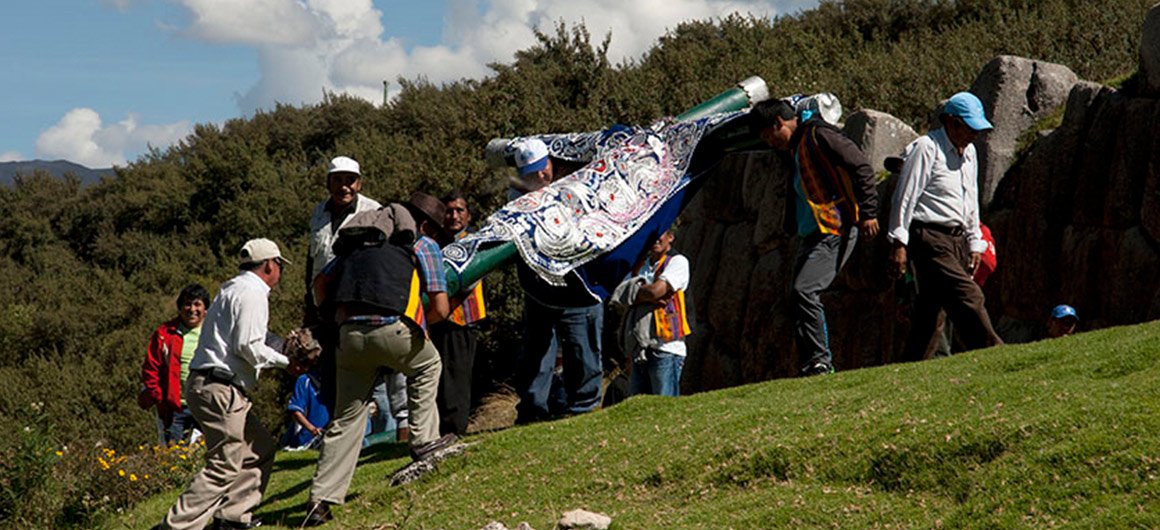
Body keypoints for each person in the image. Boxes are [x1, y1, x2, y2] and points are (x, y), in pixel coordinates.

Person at [303, 202, 456, 527]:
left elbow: (319, 283)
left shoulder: (355, 245)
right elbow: (441, 309)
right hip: (394, 327)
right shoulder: (422, 244)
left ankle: (320, 501)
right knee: (428, 365)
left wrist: (329, 316)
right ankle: (424, 441)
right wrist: (417, 327)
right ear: (426, 225)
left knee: (346, 419)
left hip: (350, 337)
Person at [154, 239, 306, 530]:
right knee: (223, 464)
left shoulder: (231, 288)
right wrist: (289, 363)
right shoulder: (253, 293)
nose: (280, 273)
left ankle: (232, 518)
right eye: (279, 267)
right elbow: (248, 345)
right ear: (269, 265)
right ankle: (175, 527)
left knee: (259, 449)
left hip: (210, 384)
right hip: (222, 387)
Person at [750, 98, 880, 376]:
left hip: (836, 228)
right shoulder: (797, 146)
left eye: (767, 135)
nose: (768, 143)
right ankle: (811, 363)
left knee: (805, 290)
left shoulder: (819, 135)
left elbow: (861, 166)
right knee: (795, 296)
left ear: (778, 123)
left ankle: (821, 361)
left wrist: (869, 212)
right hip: (813, 233)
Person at [887, 91, 1004, 361]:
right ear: (951, 122)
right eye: (969, 127)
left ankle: (912, 364)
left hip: (956, 237)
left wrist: (975, 241)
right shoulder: (926, 148)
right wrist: (899, 243)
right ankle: (993, 351)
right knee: (968, 294)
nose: (974, 134)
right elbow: (905, 196)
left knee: (931, 309)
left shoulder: (970, 152)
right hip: (928, 235)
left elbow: (969, 198)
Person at [509, 139, 604, 423]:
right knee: (537, 353)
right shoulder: (516, 195)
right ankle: (532, 411)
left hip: (579, 286)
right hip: (538, 288)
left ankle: (583, 409)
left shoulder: (579, 180)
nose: (538, 177)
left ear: (551, 162)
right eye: (530, 173)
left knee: (582, 349)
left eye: (541, 169)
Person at [431, 189, 487, 435]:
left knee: (457, 379)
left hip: (462, 320)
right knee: (437, 380)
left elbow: (469, 281)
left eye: (459, 210)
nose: (453, 216)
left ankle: (455, 431)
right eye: (449, 211)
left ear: (469, 216)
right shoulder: (434, 243)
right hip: (436, 322)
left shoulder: (476, 243)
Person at [621, 228, 692, 396]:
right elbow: (620, 294)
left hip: (666, 348)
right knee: (637, 408)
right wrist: (649, 295)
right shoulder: (640, 264)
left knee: (664, 407)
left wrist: (638, 293)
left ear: (670, 237)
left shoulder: (678, 262)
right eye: (651, 234)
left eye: (660, 233)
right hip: (639, 348)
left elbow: (656, 291)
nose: (655, 239)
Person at [139, 284, 210, 446]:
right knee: (173, 456)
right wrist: (158, 395)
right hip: (175, 408)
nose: (192, 309)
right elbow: (151, 369)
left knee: (213, 453)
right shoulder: (165, 334)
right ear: (180, 308)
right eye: (187, 304)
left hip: (206, 404)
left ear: (206, 309)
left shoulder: (214, 332)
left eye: (197, 304)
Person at [285, 371, 329, 450]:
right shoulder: (305, 380)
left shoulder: (337, 381)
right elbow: (296, 411)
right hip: (306, 441)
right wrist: (313, 430)